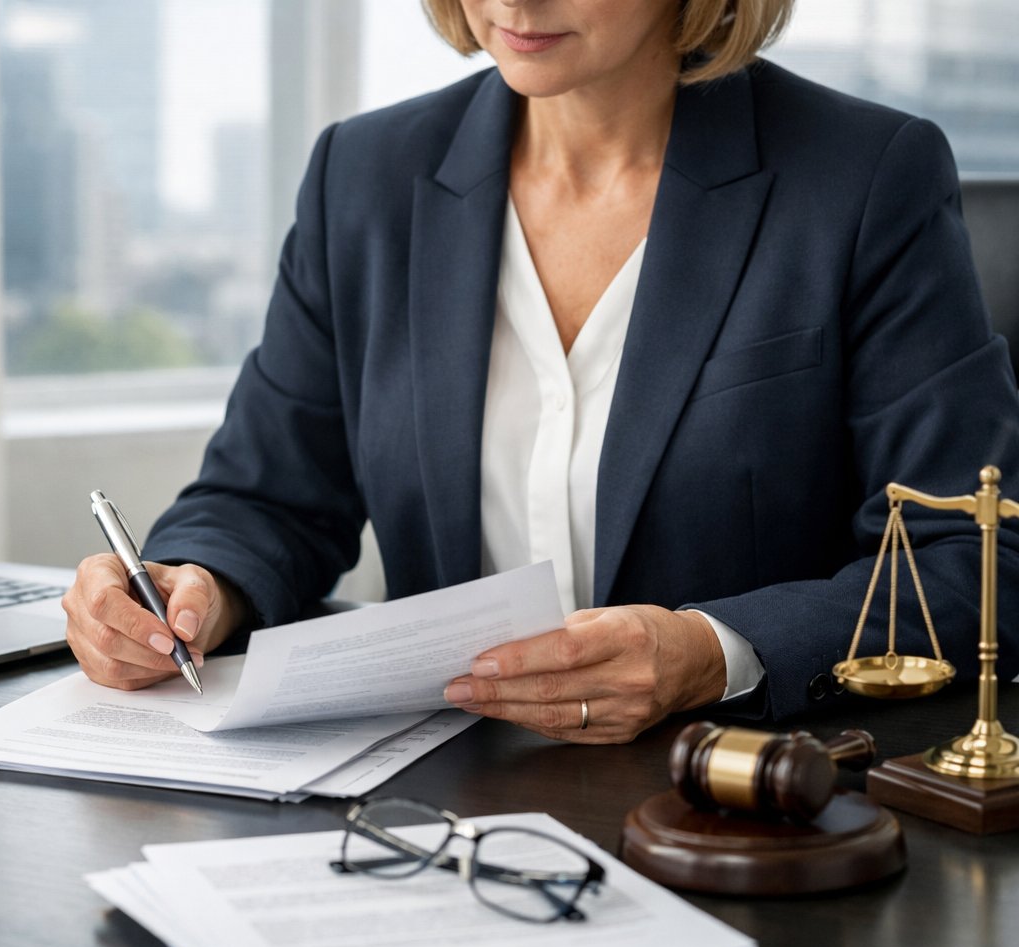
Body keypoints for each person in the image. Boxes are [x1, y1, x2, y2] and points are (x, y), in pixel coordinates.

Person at [62, 0, 1019, 744]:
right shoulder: (364, 174)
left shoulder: (863, 177)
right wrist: (191, 588)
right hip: (436, 796)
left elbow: (979, 563)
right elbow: (265, 494)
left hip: (740, 799)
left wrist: (710, 653)